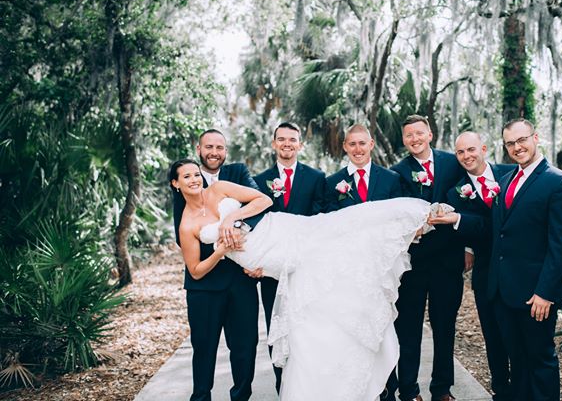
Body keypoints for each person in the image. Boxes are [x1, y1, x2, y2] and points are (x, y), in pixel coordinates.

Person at [169, 159, 438, 401]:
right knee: (309, 323)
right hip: (271, 263)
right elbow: (196, 270)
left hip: (281, 232)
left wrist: (231, 218)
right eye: (187, 176)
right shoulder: (186, 224)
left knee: (338, 231)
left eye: (196, 174)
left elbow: (263, 200)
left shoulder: (219, 189)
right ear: (176, 184)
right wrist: (220, 251)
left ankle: (412, 222)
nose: (194, 180)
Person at [489, 119, 562, 401]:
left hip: (536, 295)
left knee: (540, 361)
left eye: (522, 140)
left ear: (535, 138)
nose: (517, 147)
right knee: (517, 360)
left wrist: (545, 292)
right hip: (505, 292)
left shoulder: (560, 182)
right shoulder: (505, 181)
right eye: (510, 143)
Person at [171, 129, 261, 401]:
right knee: (204, 349)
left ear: (225, 150)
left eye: (219, 147)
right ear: (199, 150)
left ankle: (241, 397)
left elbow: (260, 206)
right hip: (205, 285)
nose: (214, 152)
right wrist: (219, 248)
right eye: (208, 147)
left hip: (241, 278)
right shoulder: (183, 191)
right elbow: (183, 238)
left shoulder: (235, 174)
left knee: (245, 346)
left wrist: (235, 227)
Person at [429, 131, 514, 401]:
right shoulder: (455, 193)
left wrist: (461, 221)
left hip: (518, 269)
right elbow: (476, 230)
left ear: (484, 149)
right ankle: (501, 391)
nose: (467, 156)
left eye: (471, 149)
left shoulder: (511, 175)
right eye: (460, 152)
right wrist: (460, 225)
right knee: (493, 336)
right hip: (486, 271)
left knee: (519, 338)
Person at [390, 115, 464, 401]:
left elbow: (468, 203)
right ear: (404, 140)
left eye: (419, 133)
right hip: (414, 264)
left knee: (445, 328)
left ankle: (442, 389)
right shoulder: (398, 173)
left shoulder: (453, 163)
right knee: (408, 329)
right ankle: (409, 390)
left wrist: (469, 248)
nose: (415, 139)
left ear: (430, 134)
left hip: (448, 261)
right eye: (409, 135)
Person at [252, 121, 326, 393]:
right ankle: (282, 388)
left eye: (292, 139)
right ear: (274, 144)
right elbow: (255, 224)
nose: (287, 144)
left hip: (306, 268)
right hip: (272, 271)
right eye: (281, 139)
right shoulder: (258, 180)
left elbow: (321, 220)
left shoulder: (316, 178)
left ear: (300, 144)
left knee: (307, 328)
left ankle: (308, 387)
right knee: (277, 328)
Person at [325, 124, 402, 212]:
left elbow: (397, 215)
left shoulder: (391, 179)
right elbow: (332, 218)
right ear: (345, 146)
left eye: (362, 143)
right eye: (352, 144)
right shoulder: (331, 183)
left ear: (371, 144)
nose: (358, 149)